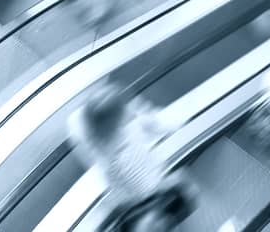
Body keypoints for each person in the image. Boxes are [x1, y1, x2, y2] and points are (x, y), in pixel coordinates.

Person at [70, 82, 194, 232]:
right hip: (149, 203)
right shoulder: (116, 154)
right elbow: (144, 190)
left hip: (145, 201)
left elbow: (159, 124)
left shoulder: (106, 150)